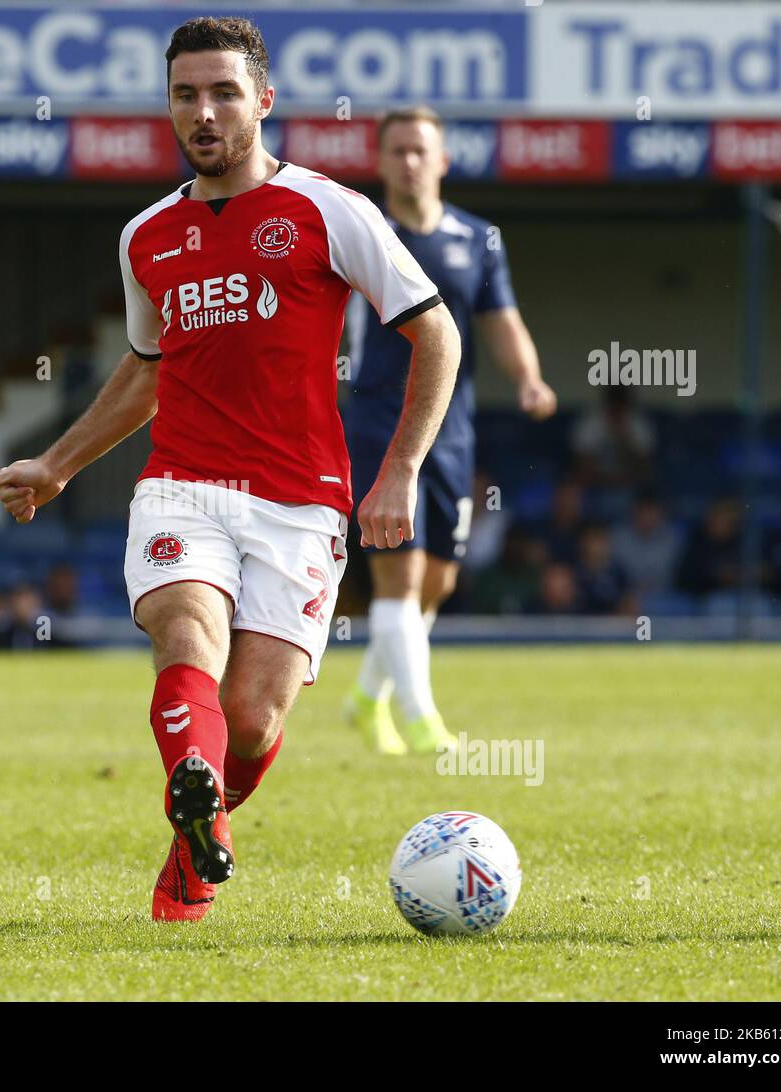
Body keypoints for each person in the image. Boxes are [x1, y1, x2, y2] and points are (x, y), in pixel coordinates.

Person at [0, 17, 460, 922]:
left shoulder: (329, 210)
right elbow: (148, 369)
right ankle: (197, 795)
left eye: (223, 92)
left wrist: (399, 472)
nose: (203, 112)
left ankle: (192, 843)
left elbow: (435, 330)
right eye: (185, 95)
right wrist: (57, 463)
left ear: (264, 102)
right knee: (187, 638)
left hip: (301, 502)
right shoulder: (146, 238)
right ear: (168, 107)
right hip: (182, 488)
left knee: (251, 721)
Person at [342, 106, 556, 757]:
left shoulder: (478, 237)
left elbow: (502, 318)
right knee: (399, 578)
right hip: (378, 424)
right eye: (397, 150)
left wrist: (529, 378)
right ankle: (423, 721)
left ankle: (366, 699)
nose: (409, 161)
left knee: (438, 583)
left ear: (442, 159)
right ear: (379, 162)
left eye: (419, 150)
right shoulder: (361, 232)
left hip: (451, 429)